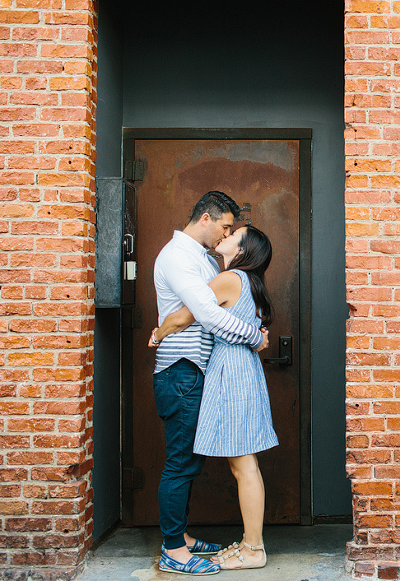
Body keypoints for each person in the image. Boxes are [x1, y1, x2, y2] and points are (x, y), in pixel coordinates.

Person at [147, 191, 269, 576]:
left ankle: (179, 537)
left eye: (231, 232)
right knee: (181, 463)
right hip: (181, 370)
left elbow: (194, 314)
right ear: (206, 218)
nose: (225, 234)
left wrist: (163, 328)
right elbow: (200, 313)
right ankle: (173, 550)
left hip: (199, 371)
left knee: (190, 461)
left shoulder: (207, 262)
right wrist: (253, 336)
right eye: (225, 226)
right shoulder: (178, 257)